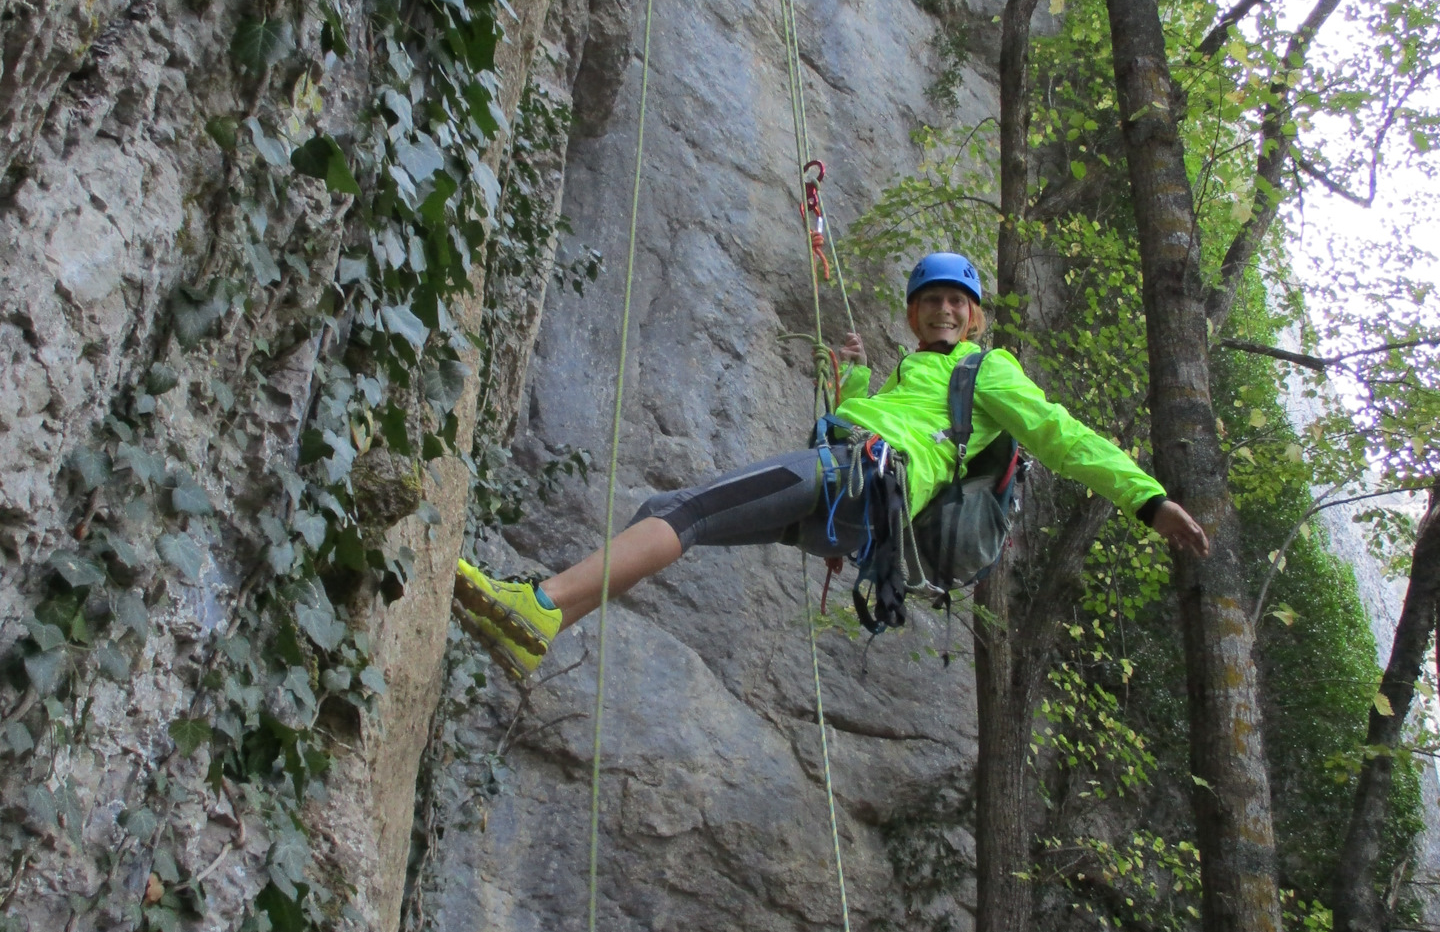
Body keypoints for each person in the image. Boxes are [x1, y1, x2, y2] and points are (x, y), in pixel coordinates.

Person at [453, 251, 1209, 679]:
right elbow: (882, 423)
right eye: (931, 301)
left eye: (957, 302)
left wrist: (1148, 500)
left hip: (864, 483)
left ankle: (543, 604)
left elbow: (1062, 435)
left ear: (975, 316)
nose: (945, 310)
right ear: (913, 316)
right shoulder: (919, 378)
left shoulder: (992, 370)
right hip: (851, 503)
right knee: (670, 517)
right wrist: (851, 384)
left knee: (682, 511)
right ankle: (544, 626)